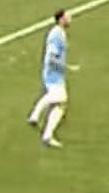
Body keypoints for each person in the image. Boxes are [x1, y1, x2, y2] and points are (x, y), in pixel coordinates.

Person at [25, 9, 73, 148]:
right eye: (67, 17)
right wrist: (65, 66)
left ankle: (47, 134)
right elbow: (52, 57)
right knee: (59, 99)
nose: (69, 19)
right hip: (53, 73)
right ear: (61, 19)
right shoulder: (56, 34)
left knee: (60, 104)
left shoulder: (60, 33)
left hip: (57, 72)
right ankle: (35, 116)